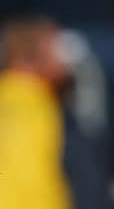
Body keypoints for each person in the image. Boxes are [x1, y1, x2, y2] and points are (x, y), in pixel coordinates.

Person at [0, 17, 75, 209]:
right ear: (28, 56)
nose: (68, 61)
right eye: (60, 50)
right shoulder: (35, 111)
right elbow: (34, 183)